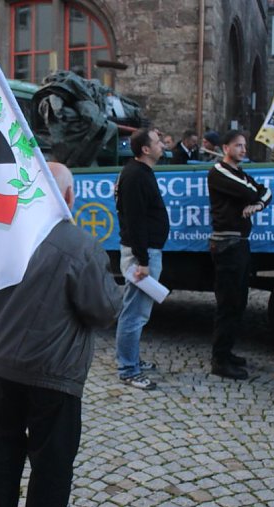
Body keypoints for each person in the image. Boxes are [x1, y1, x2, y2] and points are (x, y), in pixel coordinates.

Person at [0, 162, 121, 507]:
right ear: (68, 196)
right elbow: (102, 310)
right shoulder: (79, 245)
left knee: (5, 440)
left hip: (2, 361)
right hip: (52, 370)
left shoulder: (1, 234)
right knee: (52, 458)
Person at [207, 130, 273, 380]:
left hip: (240, 244)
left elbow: (265, 192)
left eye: (245, 146)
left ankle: (227, 351)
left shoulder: (241, 173)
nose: (243, 150)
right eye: (238, 145)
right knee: (228, 303)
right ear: (225, 148)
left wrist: (258, 204)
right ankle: (220, 359)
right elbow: (250, 191)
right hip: (227, 245)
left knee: (239, 302)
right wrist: (256, 197)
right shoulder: (219, 172)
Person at [115, 128, 169, 390]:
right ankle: (128, 369)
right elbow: (135, 221)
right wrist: (143, 261)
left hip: (145, 252)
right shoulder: (135, 176)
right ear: (145, 149)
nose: (162, 145)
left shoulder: (139, 172)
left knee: (138, 313)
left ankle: (131, 359)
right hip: (141, 255)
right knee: (134, 314)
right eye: (157, 142)